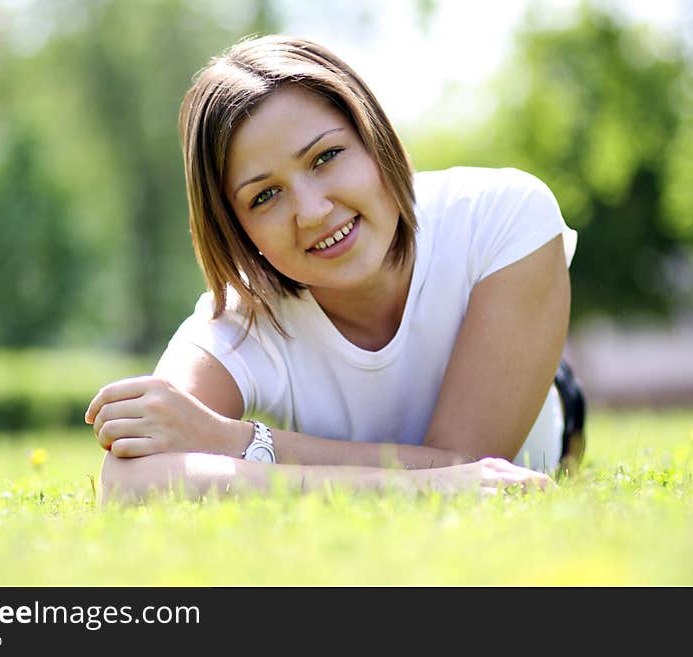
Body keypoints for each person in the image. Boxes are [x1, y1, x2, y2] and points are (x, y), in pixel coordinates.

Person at [84, 34, 586, 503]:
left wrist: (240, 442)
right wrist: (404, 488)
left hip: (546, 416)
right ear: (236, 230)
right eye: (265, 196)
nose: (313, 211)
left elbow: (472, 464)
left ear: (375, 138)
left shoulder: (502, 215)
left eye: (326, 157)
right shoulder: (240, 322)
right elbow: (127, 478)